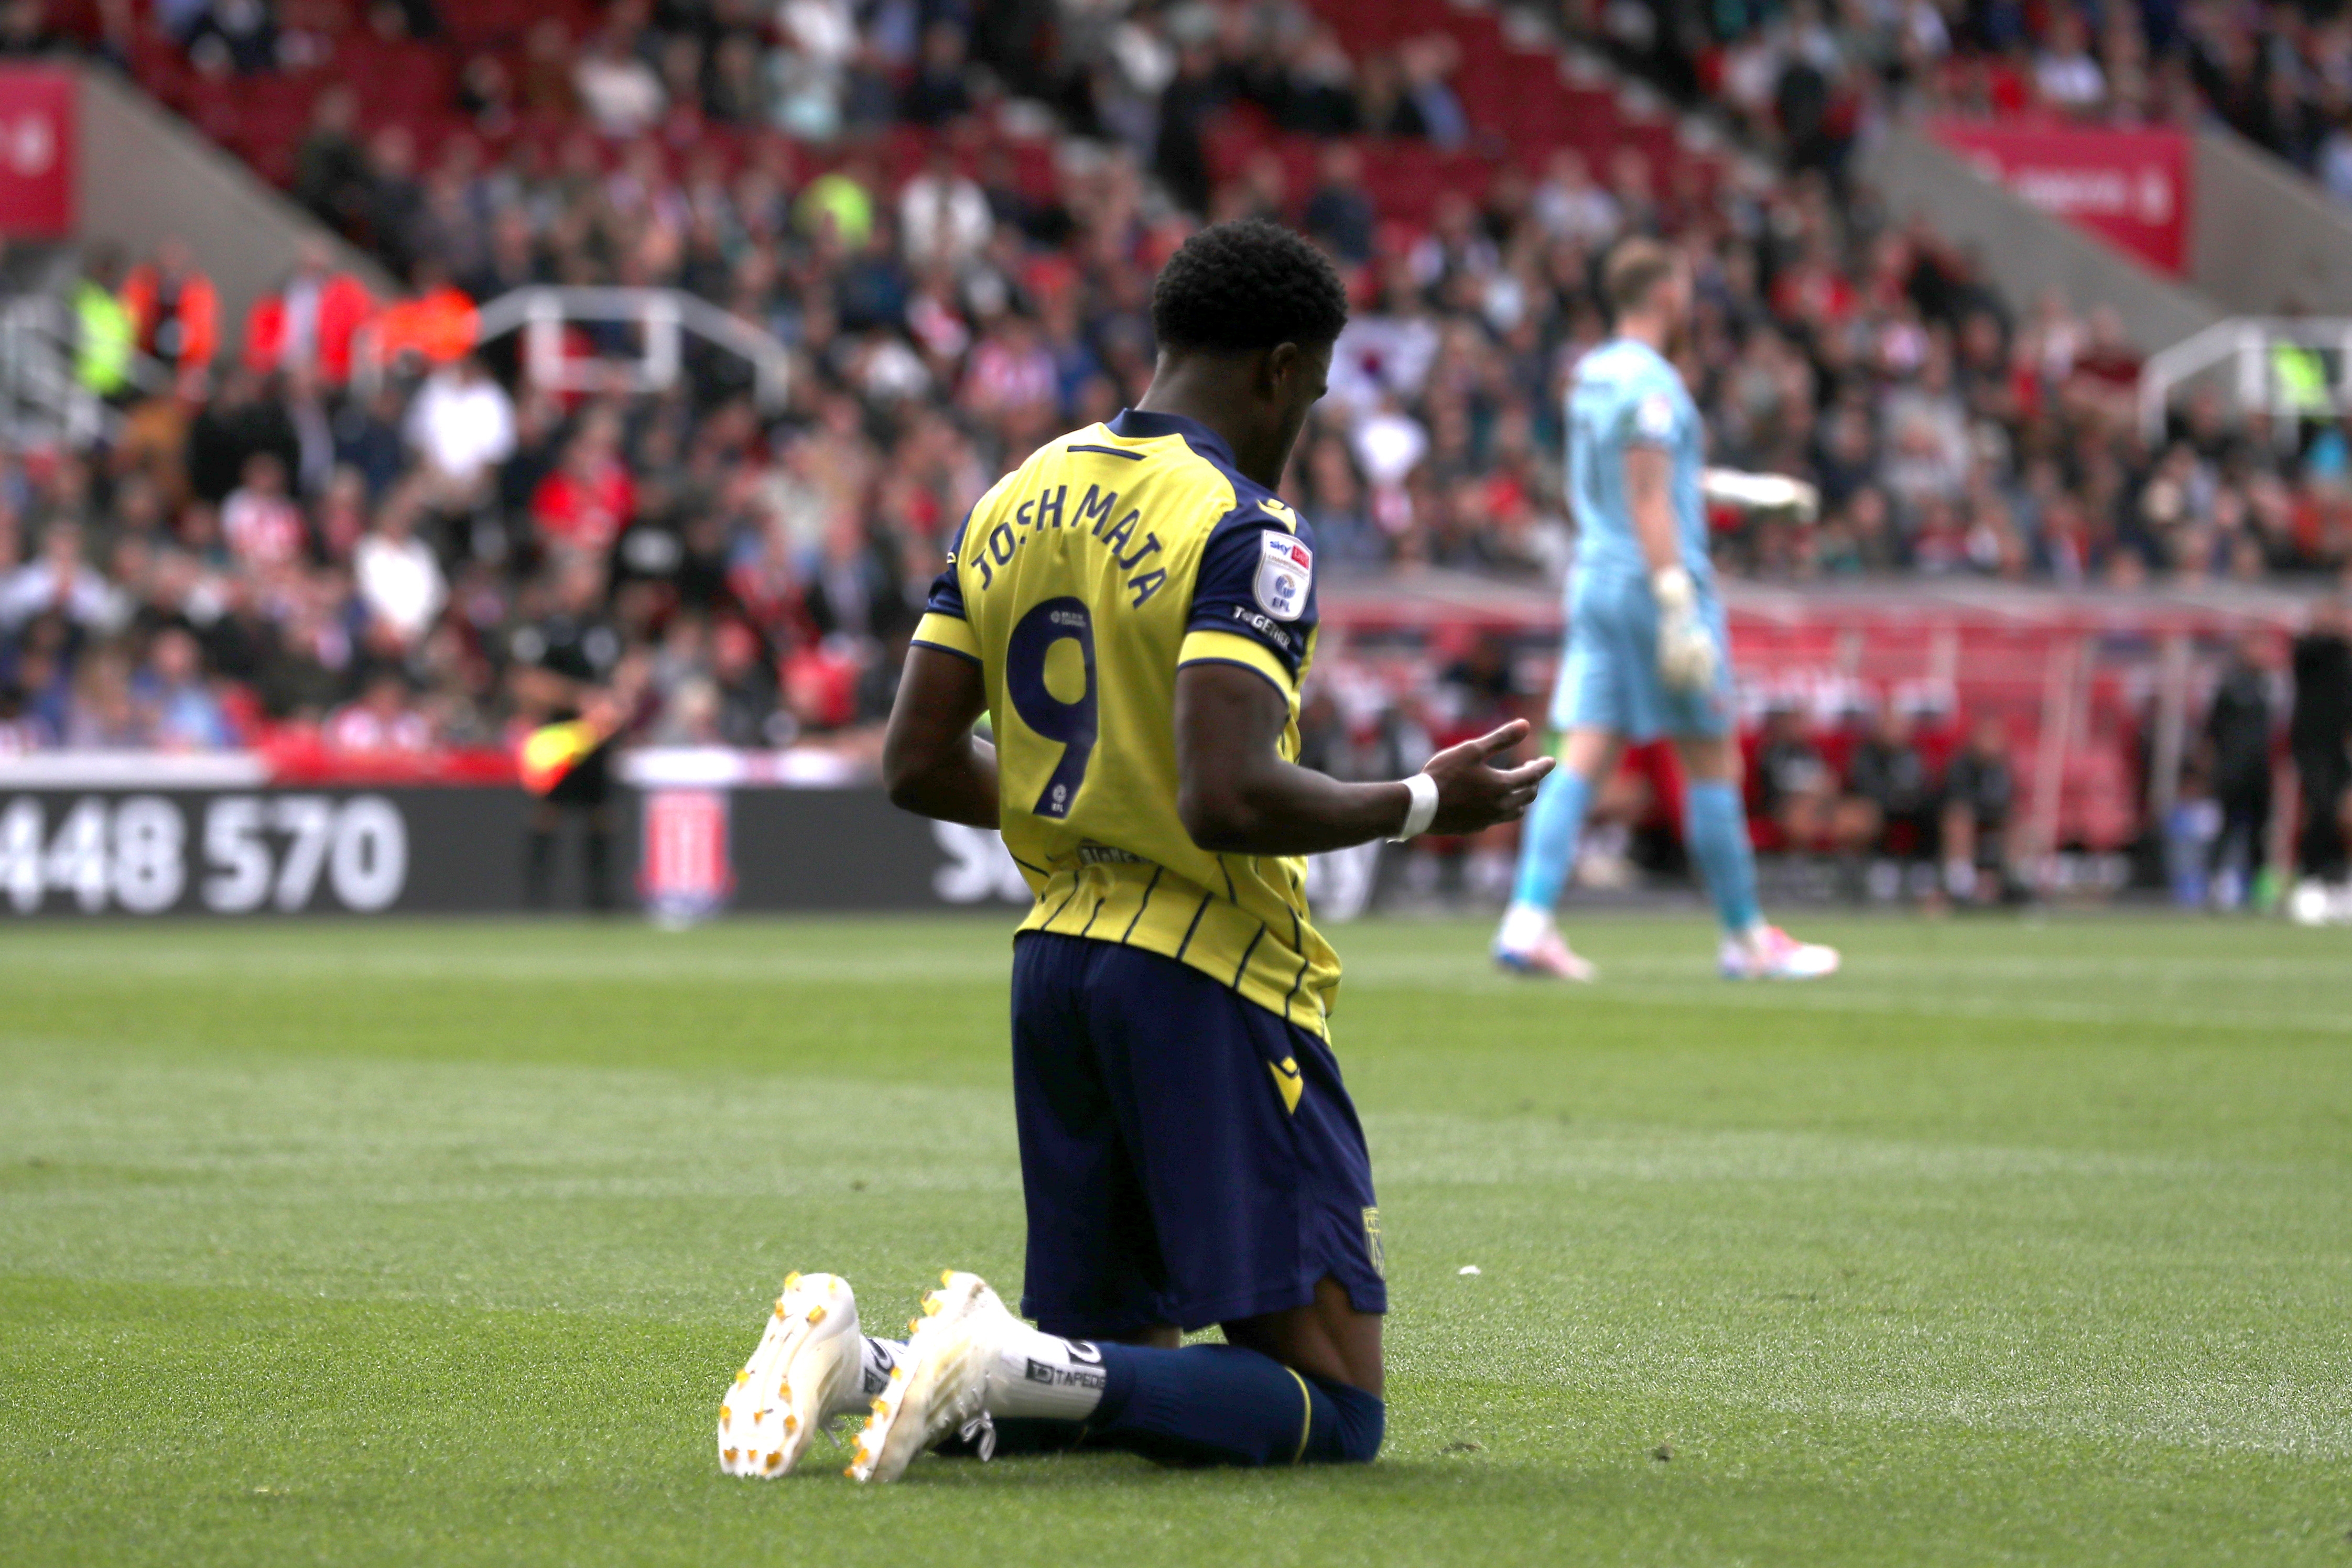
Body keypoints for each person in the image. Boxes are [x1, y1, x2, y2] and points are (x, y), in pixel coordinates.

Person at [716, 221, 1548, 1484]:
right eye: (1312, 396)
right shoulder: (1243, 524)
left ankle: (865, 1362)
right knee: (1336, 1400)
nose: (1304, 425)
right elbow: (1226, 792)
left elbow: (917, 761)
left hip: (1057, 968)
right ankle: (986, 1354)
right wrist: (1420, 802)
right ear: (1280, 368)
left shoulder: (1015, 494)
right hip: (1205, 975)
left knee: (1106, 1371)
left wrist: (1087, 806)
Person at [1492, 238, 1838, 982]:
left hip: (1594, 578)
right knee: (1709, 755)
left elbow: (1627, 482)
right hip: (1653, 585)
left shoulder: (1588, 374)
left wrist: (1736, 490)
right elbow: (1648, 495)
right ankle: (1746, 940)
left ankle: (1526, 921)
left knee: (1580, 752)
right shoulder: (1652, 384)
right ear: (1665, 293)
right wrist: (1677, 601)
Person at [2289, 598, 2352, 913]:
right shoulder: (2310, 649)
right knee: (2322, 807)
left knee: (2342, 813)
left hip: (2338, 746)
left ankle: (2336, 878)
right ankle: (2311, 877)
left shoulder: (2343, 656)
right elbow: (2309, 653)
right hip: (2312, 745)